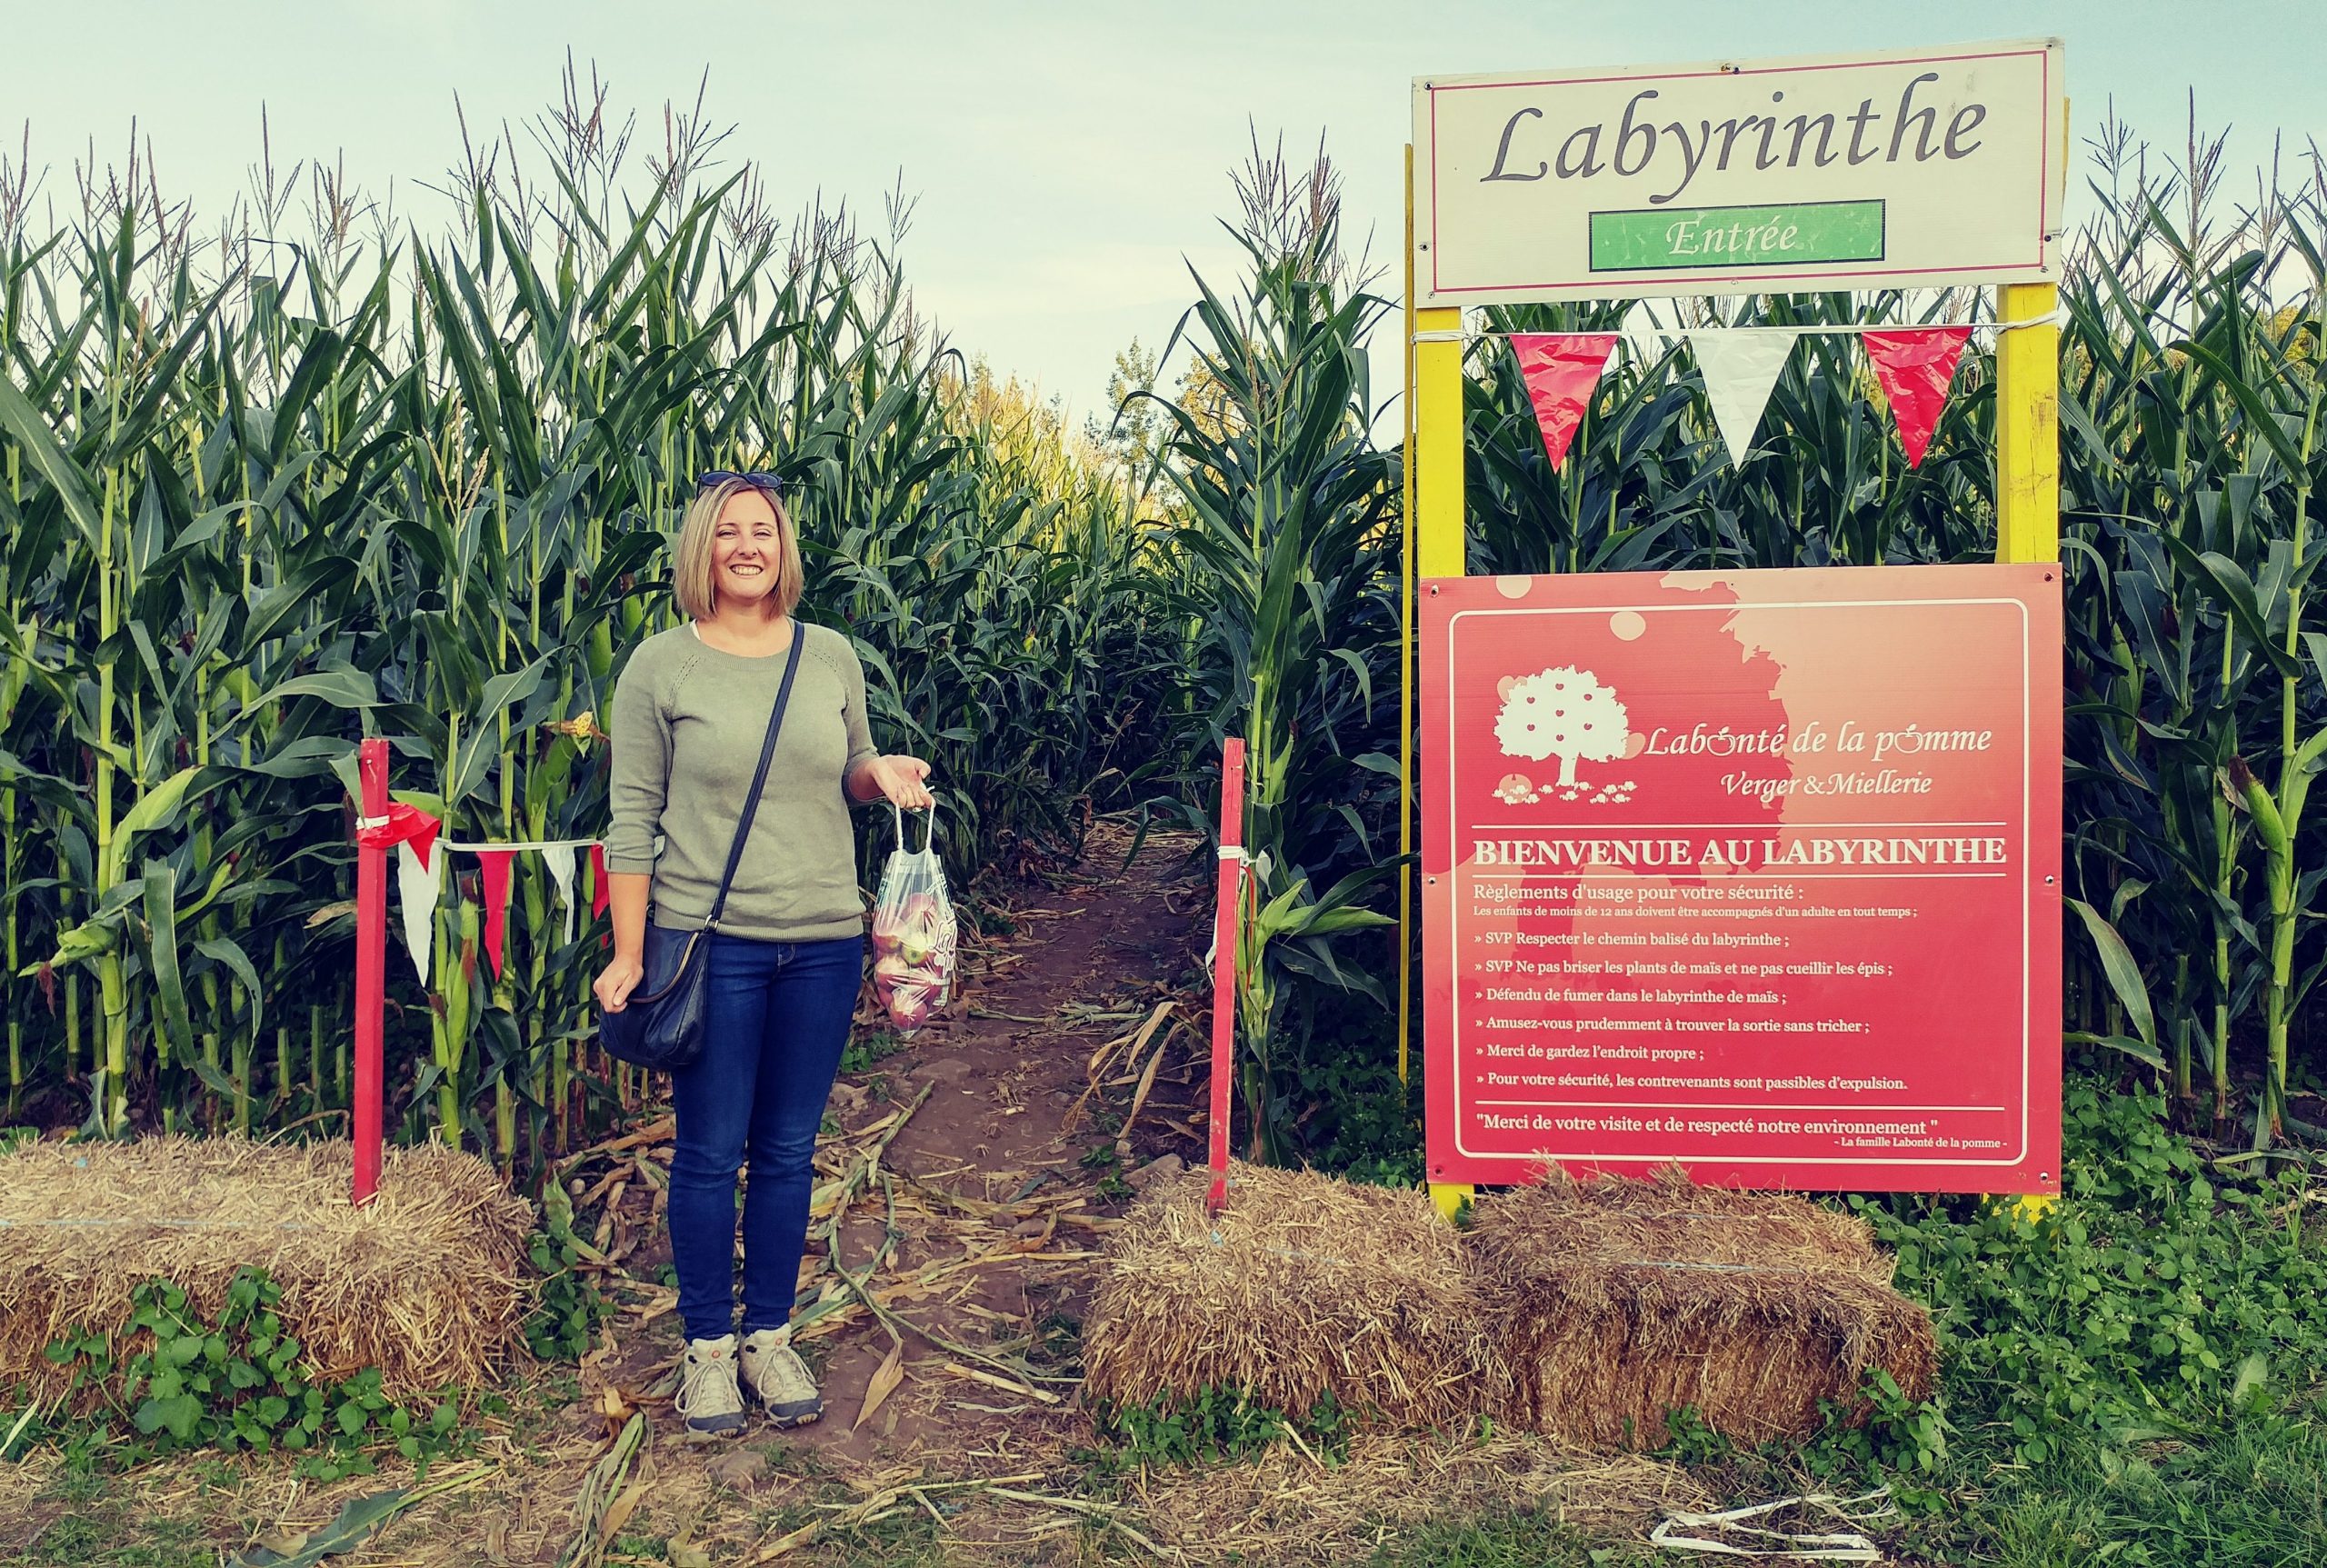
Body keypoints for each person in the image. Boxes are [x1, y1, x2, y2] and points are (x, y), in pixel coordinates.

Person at [594, 472, 934, 1438]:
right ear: (701, 548)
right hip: (714, 946)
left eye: (765, 531)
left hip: (823, 939)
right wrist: (630, 955)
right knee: (707, 1155)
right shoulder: (660, 668)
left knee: (787, 1152)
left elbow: (852, 766)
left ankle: (769, 1339)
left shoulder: (828, 654)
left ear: (784, 548)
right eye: (729, 532)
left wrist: (885, 772)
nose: (749, 546)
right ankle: (707, 1353)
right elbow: (633, 822)